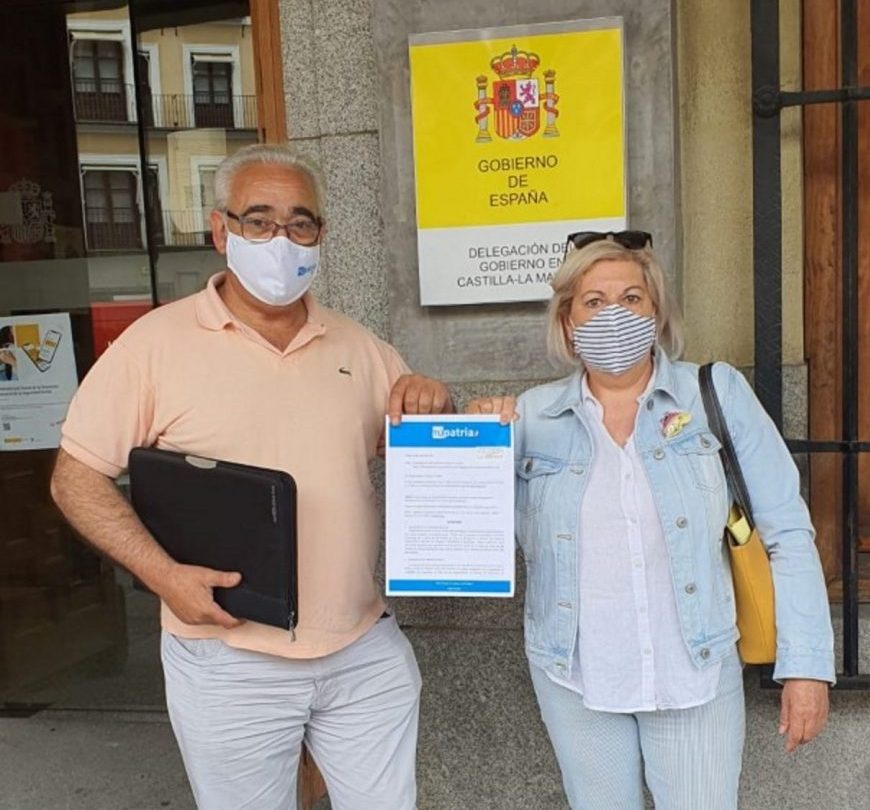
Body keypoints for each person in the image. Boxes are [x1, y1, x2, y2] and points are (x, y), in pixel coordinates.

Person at [50, 143, 452, 810]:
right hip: (228, 659)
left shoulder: (363, 348)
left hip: (361, 651)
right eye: (259, 221)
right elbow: (76, 479)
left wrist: (435, 407)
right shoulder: (153, 346)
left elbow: (426, 465)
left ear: (320, 235)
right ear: (221, 230)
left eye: (300, 224)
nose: (280, 240)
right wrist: (164, 577)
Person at [469, 230, 834, 810]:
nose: (614, 313)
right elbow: (465, 532)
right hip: (576, 678)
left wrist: (807, 667)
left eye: (632, 298)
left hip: (694, 674)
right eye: (594, 301)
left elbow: (787, 531)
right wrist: (474, 442)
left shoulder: (714, 393)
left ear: (657, 313)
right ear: (568, 324)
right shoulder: (530, 416)